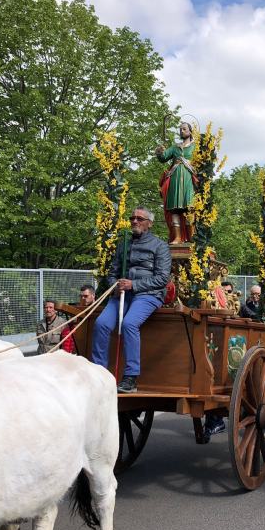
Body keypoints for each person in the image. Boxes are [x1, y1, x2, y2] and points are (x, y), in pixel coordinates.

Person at [91, 207, 171, 393]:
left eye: (139, 219)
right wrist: (116, 285)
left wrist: (133, 285)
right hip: (122, 294)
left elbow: (162, 279)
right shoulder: (123, 244)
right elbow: (112, 274)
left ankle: (130, 377)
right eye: (132, 218)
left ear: (149, 223)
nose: (135, 221)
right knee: (101, 324)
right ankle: (98, 372)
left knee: (128, 324)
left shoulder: (160, 246)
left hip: (148, 294)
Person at [155, 121, 197, 244]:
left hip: (189, 180)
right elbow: (163, 158)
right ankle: (177, 237)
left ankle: (191, 237)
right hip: (175, 179)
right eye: (180, 129)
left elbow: (203, 161)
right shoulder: (175, 147)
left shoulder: (196, 147)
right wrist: (159, 152)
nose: (181, 131)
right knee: (175, 209)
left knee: (189, 208)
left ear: (190, 131)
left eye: (184, 129)